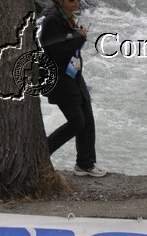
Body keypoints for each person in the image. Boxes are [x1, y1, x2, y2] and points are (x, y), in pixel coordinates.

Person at [38, 0, 107, 178]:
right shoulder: (52, 20)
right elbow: (57, 53)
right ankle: (39, 155)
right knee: (77, 122)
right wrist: (79, 38)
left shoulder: (69, 16)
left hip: (73, 73)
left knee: (87, 118)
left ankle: (85, 164)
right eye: (71, 0)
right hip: (59, 78)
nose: (76, 2)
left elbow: (70, 46)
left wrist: (78, 37)